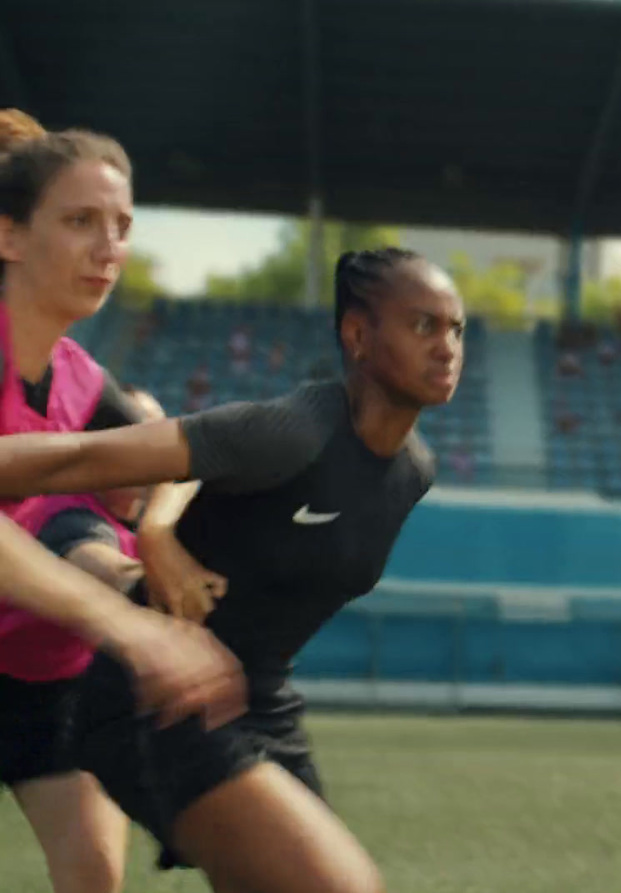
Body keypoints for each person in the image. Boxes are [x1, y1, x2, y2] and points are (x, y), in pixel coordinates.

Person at [0, 247, 461, 893]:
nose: (448, 347)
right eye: (424, 325)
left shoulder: (414, 472)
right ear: (358, 335)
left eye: (456, 328)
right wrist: (155, 534)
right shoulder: (291, 430)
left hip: (263, 702)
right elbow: (86, 455)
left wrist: (158, 527)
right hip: (161, 694)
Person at [0, 109, 243, 893]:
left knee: (95, 875)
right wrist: (126, 623)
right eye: (80, 222)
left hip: (41, 674)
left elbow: (183, 451)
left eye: (122, 225)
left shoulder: (79, 375)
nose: (109, 247)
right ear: (8, 236)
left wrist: (162, 533)